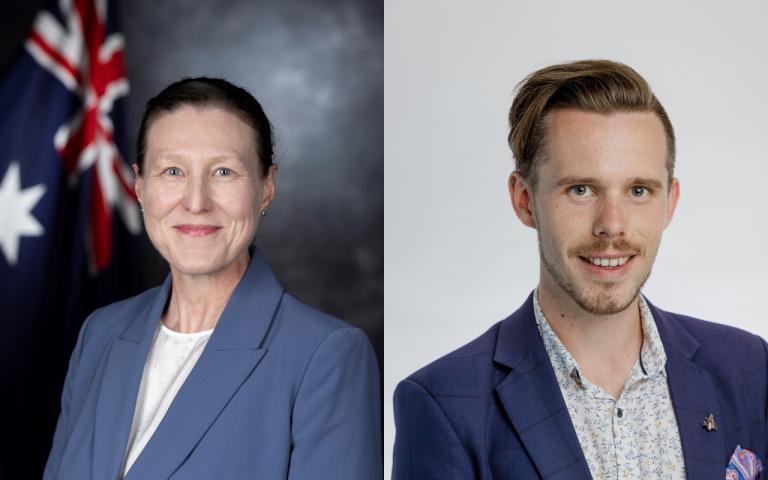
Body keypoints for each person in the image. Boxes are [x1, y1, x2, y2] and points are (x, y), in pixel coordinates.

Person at [392, 60, 768, 479]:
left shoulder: (749, 367)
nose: (612, 225)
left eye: (638, 190)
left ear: (670, 202)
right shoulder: (445, 406)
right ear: (524, 200)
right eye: (581, 189)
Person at [44, 77, 381, 479]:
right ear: (140, 185)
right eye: (172, 171)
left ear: (266, 187)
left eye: (223, 171)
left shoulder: (325, 356)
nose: (196, 202)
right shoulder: (100, 334)